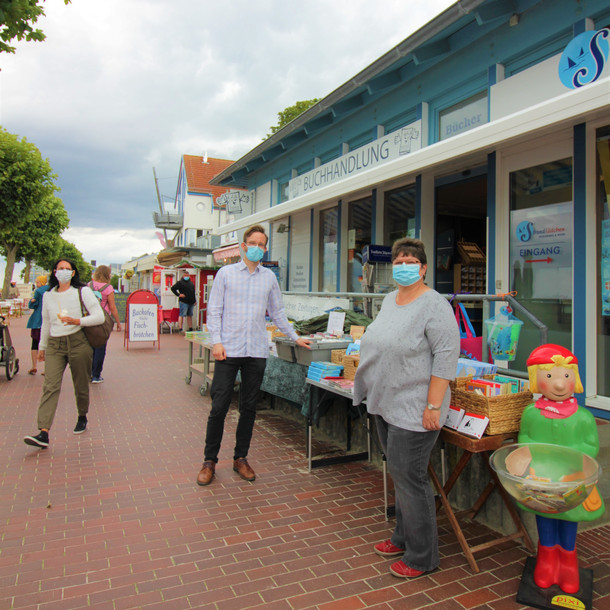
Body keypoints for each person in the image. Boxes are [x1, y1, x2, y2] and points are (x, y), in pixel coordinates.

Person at [353, 237, 460, 579]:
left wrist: (433, 405)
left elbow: (446, 358)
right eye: (398, 261)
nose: (403, 266)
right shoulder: (389, 299)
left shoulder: (435, 304)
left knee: (411, 479)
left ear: (424, 268)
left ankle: (422, 556)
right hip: (387, 402)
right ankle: (402, 537)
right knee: (398, 475)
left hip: (416, 407)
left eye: (411, 261)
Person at [197, 224, 312, 486]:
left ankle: (241, 458)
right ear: (243, 245)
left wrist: (295, 337)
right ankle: (209, 461)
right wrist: (216, 342)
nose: (258, 247)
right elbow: (213, 311)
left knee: (249, 407)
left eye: (262, 244)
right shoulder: (225, 274)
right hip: (228, 349)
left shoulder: (269, 278)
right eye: (254, 243)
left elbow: (278, 313)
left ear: (266, 247)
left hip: (256, 351)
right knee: (219, 406)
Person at [518, 344, 604, 593]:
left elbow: (592, 446)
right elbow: (524, 440)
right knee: (544, 515)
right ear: (537, 380)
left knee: (569, 518)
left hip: (572, 480)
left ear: (574, 379)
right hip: (542, 480)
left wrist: (574, 452)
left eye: (565, 376)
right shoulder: (532, 414)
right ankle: (546, 559)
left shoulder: (583, 417)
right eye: (550, 376)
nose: (558, 384)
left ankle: (568, 562)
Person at [23, 259, 104, 449]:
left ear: (73, 273)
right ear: (54, 272)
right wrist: (42, 347)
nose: (64, 272)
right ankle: (43, 432)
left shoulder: (82, 291)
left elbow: (99, 316)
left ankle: (82, 415)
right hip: (55, 345)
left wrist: (77, 321)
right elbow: (46, 321)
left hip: (78, 342)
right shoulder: (49, 295)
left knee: (81, 383)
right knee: (50, 386)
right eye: (61, 269)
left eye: (68, 269)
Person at [88, 265, 121, 383]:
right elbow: (112, 307)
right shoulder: (108, 288)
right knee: (100, 347)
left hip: (89, 318)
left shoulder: (89, 285)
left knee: (89, 346)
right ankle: (96, 375)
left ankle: (89, 373)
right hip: (102, 320)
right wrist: (118, 322)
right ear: (107, 274)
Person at [26, 275, 50, 375]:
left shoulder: (38, 291)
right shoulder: (51, 290)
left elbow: (33, 304)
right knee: (47, 345)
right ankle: (46, 368)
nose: (37, 284)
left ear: (42, 282)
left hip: (37, 320)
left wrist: (31, 302)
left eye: (38, 282)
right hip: (48, 320)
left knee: (35, 343)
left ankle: (34, 366)